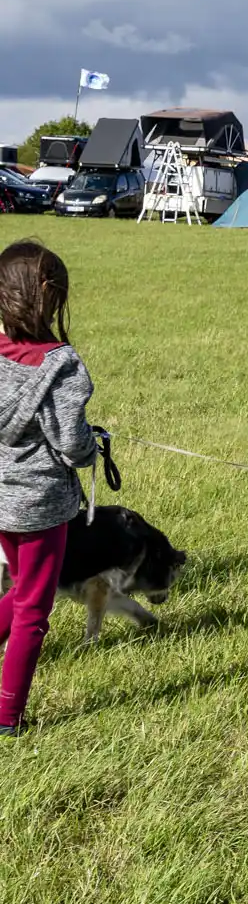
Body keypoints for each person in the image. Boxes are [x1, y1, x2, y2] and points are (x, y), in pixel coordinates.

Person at [0, 241, 94, 738]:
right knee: (33, 612)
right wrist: (91, 449)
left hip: (0, 501)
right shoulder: (59, 363)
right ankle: (7, 719)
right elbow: (70, 442)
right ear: (49, 297)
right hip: (38, 507)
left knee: (20, 593)